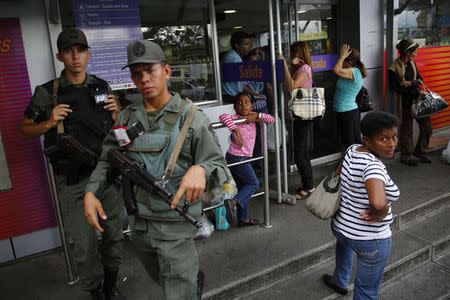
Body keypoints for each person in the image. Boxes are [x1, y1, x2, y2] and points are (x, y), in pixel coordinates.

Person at [83, 39, 231, 300]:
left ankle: (188, 282)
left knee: (177, 292)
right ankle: (191, 278)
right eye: (137, 73)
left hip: (174, 228)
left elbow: (220, 168)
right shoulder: (128, 117)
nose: (144, 79)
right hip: (140, 227)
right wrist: (91, 192)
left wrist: (201, 169)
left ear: (166, 71)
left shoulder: (191, 118)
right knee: (162, 279)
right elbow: (108, 158)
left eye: (150, 70)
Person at [20, 28, 124, 300]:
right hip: (73, 182)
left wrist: (117, 113)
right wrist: (49, 122)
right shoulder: (47, 93)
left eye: (80, 50)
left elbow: (113, 127)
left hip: (105, 176)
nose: (75, 56)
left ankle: (112, 285)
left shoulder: (101, 86)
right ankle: (96, 291)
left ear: (88, 54)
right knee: (85, 245)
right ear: (60, 55)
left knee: (114, 235)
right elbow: (25, 129)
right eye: (69, 51)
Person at [322, 111, 400, 299]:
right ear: (367, 140)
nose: (391, 144)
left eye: (394, 137)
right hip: (371, 240)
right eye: (383, 139)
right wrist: (380, 213)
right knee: (366, 292)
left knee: (345, 245)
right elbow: (379, 203)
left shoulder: (352, 149)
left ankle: (340, 281)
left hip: (341, 228)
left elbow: (339, 173)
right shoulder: (373, 168)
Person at [219, 92, 275, 226]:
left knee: (244, 186)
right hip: (236, 157)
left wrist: (257, 115)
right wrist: (235, 129)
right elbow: (222, 116)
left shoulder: (254, 116)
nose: (243, 105)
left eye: (246, 102)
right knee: (253, 184)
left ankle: (243, 219)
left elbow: (271, 119)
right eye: (239, 103)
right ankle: (233, 203)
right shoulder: (235, 118)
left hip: (243, 158)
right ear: (235, 107)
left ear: (252, 106)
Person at [388, 39, 432, 166]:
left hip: (418, 102)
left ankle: (420, 150)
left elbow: (420, 79)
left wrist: (410, 83)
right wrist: (416, 91)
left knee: (427, 128)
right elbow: (397, 88)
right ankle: (406, 156)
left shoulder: (413, 64)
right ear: (408, 52)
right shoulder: (393, 68)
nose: (416, 54)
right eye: (415, 52)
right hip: (405, 103)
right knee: (407, 130)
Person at [281, 41, 315, 199]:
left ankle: (308, 186)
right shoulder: (299, 68)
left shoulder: (304, 69)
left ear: (299, 53)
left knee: (299, 151)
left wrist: (285, 65)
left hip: (303, 114)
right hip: (299, 114)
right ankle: (308, 184)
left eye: (293, 51)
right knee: (302, 150)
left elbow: (291, 86)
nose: (291, 55)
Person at [333, 44, 367, 149]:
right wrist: (343, 57)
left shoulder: (353, 72)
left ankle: (355, 163)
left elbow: (336, 70)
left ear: (350, 62)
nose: (341, 62)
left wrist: (342, 56)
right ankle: (359, 162)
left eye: (344, 61)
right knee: (354, 141)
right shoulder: (349, 72)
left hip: (347, 111)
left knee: (350, 143)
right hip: (346, 111)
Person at [221, 31, 255, 104]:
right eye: (246, 44)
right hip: (230, 97)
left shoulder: (232, 56)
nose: (249, 47)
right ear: (237, 45)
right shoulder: (235, 58)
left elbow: (240, 84)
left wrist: (253, 93)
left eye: (250, 45)